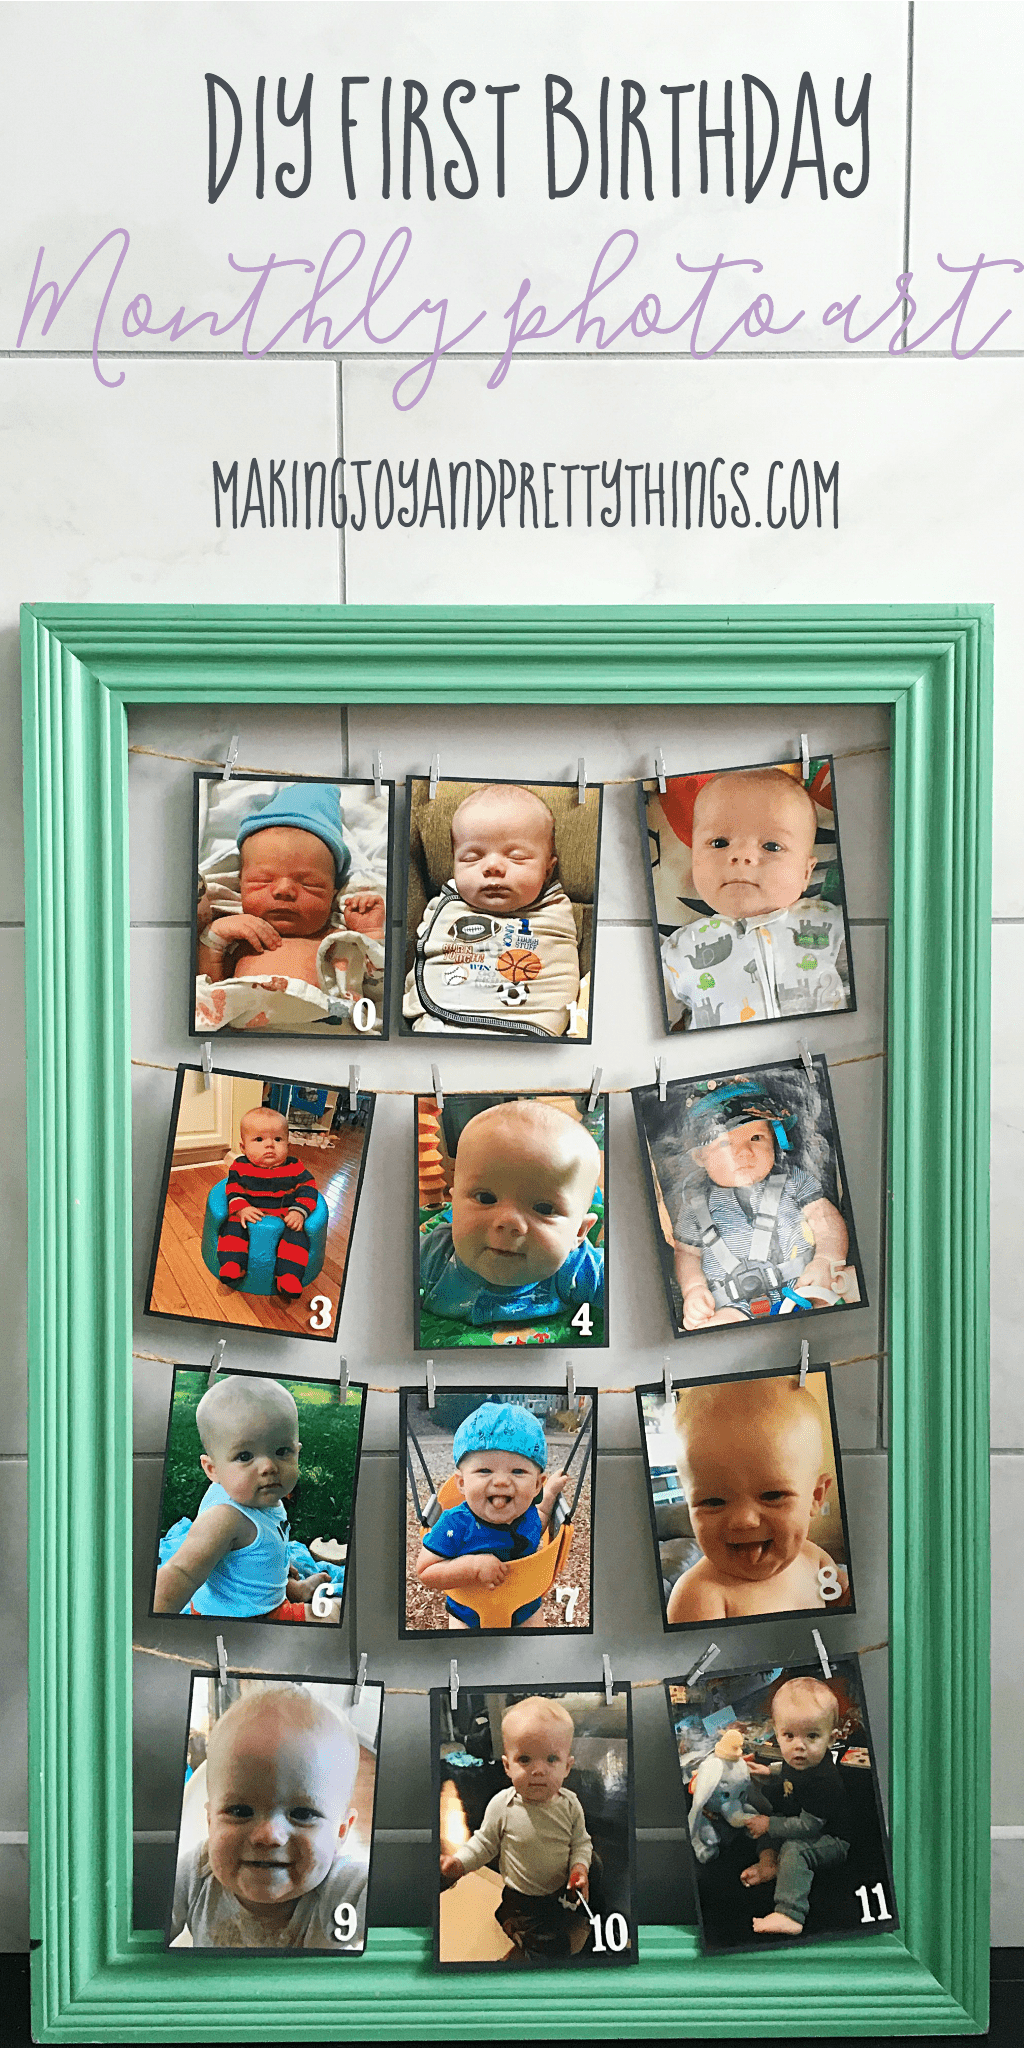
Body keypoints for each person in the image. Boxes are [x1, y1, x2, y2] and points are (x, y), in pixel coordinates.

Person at [170, 1686, 365, 1948]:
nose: (268, 1835)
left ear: (341, 1831)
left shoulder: (343, 1887)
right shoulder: (194, 1876)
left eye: (302, 1814)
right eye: (240, 1811)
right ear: (210, 1822)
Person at [660, 768, 849, 1029]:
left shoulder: (832, 924)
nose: (741, 855)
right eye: (719, 843)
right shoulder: (679, 949)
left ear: (806, 872)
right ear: (694, 861)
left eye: (771, 846)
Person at [195, 781, 386, 1033]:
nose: (283, 890)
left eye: (309, 884)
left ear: (333, 893)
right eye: (262, 881)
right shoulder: (237, 938)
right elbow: (209, 988)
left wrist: (370, 934)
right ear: (240, 884)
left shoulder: (339, 938)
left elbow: (378, 991)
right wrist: (215, 938)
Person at [669, 1078, 858, 1328]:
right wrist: (693, 1289)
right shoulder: (694, 1209)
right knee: (709, 1327)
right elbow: (686, 1254)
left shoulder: (793, 1181)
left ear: (775, 1139)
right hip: (734, 1305)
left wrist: (826, 1260)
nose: (744, 1152)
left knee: (846, 1289)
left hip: (804, 1286)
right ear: (700, 1156)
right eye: (725, 1143)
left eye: (756, 1138)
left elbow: (826, 1220)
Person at [403, 783, 582, 1037]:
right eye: (472, 858)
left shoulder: (553, 912)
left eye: (517, 856)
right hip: (441, 1025)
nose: (493, 867)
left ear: (548, 869)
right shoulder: (449, 907)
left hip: (529, 1030)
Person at [666, 1377, 848, 1621]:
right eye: (713, 1501)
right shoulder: (699, 1599)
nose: (744, 1521)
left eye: (773, 1496)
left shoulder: (815, 1560)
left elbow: (845, 1612)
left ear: (816, 1497)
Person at [153, 1377, 329, 1621]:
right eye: (245, 1455)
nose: (268, 1466)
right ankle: (291, 1593)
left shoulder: (251, 1493)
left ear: (297, 1450)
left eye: (281, 1451)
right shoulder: (225, 1519)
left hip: (256, 1589)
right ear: (212, 1469)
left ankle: (292, 1588)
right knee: (334, 1614)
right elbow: (182, 1572)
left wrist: (273, 1565)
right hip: (251, 1617)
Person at [419, 1099, 603, 1331]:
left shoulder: (579, 1269)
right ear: (454, 1205)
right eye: (485, 1198)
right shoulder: (432, 1256)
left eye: (544, 1209)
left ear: (578, 1232)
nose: (508, 1222)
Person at [439, 1695, 592, 1957]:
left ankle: (573, 1909)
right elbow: (484, 1843)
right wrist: (460, 1863)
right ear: (507, 1766)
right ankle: (511, 1922)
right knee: (553, 1949)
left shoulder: (570, 1805)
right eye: (525, 1760)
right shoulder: (503, 1805)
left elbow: (581, 1842)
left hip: (559, 1889)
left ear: (568, 1766)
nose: (538, 1770)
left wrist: (580, 1868)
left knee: (595, 1864)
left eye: (551, 1759)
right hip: (523, 1900)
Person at [415, 1402, 569, 1630]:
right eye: (485, 1471)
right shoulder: (454, 1523)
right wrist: (472, 1567)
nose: (501, 1481)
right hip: (470, 1613)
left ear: (537, 1485)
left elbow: (542, 1515)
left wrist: (551, 1493)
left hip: (524, 1606)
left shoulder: (527, 1514)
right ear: (461, 1483)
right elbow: (425, 1571)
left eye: (518, 1471)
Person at [740, 1676, 853, 1937]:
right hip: (800, 1819)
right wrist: (769, 1771)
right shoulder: (800, 1757)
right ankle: (769, 1864)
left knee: (793, 1849)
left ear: (831, 1738)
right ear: (776, 1732)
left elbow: (808, 1826)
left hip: (832, 1838)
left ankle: (790, 1913)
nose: (798, 1746)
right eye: (788, 1735)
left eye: (812, 1735)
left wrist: (770, 1824)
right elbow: (788, 1769)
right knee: (770, 1823)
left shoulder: (824, 1780)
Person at [216, 1106, 318, 1300]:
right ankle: (233, 1264)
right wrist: (242, 1208)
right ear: (244, 1147)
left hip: (284, 1213)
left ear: (288, 1144)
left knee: (297, 1236)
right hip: (250, 1211)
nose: (270, 1145)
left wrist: (299, 1211)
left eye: (278, 1139)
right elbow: (233, 1189)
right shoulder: (240, 1166)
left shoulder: (294, 1166)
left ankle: (288, 1276)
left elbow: (309, 1187)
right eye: (259, 1139)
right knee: (232, 1228)